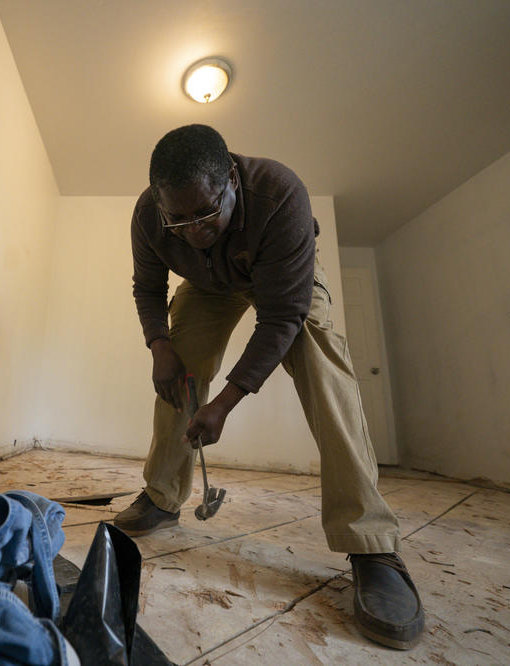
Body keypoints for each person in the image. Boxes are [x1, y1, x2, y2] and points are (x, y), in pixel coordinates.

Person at [114, 124, 424, 649]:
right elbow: (148, 286)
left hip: (283, 277)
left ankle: (372, 543)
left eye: (206, 213)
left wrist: (225, 403)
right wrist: (160, 347)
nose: (192, 230)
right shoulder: (151, 214)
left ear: (231, 179)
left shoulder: (279, 194)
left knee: (318, 355)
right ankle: (162, 496)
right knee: (180, 363)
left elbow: (281, 317)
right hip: (209, 287)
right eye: (179, 219)